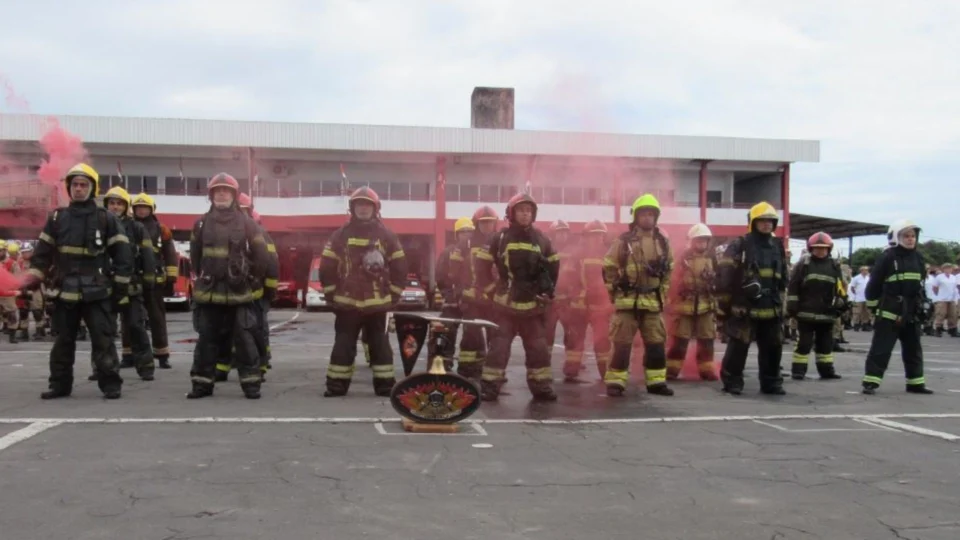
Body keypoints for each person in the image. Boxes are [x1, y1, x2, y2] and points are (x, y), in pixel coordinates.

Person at [23, 163, 133, 399]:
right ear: (69, 188)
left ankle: (110, 384)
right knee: (62, 341)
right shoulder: (57, 218)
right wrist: (33, 278)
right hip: (64, 292)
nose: (79, 189)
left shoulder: (106, 219)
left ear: (92, 189)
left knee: (103, 340)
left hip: (98, 292)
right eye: (75, 185)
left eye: (84, 185)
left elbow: (123, 256)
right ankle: (60, 385)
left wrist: (119, 289)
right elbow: (42, 254)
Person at [186, 173, 272, 400]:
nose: (222, 194)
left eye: (226, 190)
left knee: (244, 340)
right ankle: (202, 385)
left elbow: (262, 256)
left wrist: (252, 280)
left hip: (238, 294)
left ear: (234, 195)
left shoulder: (248, 224)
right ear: (211, 195)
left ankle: (251, 385)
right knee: (206, 340)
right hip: (210, 293)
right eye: (217, 190)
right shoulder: (201, 224)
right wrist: (205, 277)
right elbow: (195, 257)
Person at [321, 187, 407, 397]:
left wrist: (394, 293)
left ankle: (385, 385)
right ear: (352, 208)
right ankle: (336, 386)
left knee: (380, 344)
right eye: (359, 204)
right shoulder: (339, 235)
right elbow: (327, 266)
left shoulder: (387, 236)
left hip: (377, 304)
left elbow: (400, 265)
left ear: (375, 208)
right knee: (344, 344)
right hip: (347, 302)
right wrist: (331, 293)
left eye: (367, 205)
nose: (363, 208)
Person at [477, 193, 559, 402]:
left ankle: (542, 388)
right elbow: (482, 266)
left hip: (532, 307)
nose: (525, 214)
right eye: (521, 210)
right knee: (498, 349)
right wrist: (490, 289)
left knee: (538, 350)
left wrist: (547, 291)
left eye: (529, 211)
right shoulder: (499, 238)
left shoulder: (542, 239)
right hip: (505, 306)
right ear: (512, 213)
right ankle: (490, 387)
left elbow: (553, 266)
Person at [603, 194, 674, 397]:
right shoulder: (623, 241)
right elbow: (608, 266)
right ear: (636, 216)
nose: (647, 218)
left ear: (656, 217)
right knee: (621, 344)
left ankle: (656, 382)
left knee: (656, 344)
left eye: (651, 214)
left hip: (652, 303)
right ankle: (616, 383)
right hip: (627, 302)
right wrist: (614, 291)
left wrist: (662, 293)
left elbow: (669, 270)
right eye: (643, 214)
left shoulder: (663, 242)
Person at [717, 201, 788, 395]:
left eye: (770, 221)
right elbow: (724, 277)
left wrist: (783, 305)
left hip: (771, 305)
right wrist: (724, 307)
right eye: (762, 220)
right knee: (739, 346)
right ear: (753, 222)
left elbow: (783, 277)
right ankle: (732, 381)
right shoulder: (740, 245)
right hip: (744, 306)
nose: (767, 224)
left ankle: (772, 382)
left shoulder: (777, 246)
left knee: (773, 346)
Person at [862, 219, 933, 395]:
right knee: (881, 348)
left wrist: (924, 304)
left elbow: (920, 284)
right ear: (895, 237)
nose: (911, 239)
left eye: (913, 236)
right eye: (906, 236)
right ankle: (871, 382)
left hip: (912, 311)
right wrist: (873, 306)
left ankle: (915, 383)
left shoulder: (918, 257)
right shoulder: (887, 257)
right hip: (889, 311)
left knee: (913, 349)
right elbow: (873, 285)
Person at [100, 186, 157, 381]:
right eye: (111, 203)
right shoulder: (97, 226)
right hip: (103, 287)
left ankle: (146, 367)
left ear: (126, 207)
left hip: (131, 286)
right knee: (103, 330)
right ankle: (102, 368)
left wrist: (148, 284)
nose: (115, 207)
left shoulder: (137, 228)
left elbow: (148, 257)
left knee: (135, 326)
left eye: (119, 203)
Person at [786, 232, 844, 380]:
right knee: (804, 343)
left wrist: (842, 302)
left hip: (827, 314)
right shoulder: (803, 265)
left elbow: (840, 287)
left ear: (829, 249)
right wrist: (792, 306)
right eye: (817, 248)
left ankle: (826, 371)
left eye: (823, 248)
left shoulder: (834, 266)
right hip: (806, 313)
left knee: (825, 345)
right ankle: (798, 371)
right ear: (811, 248)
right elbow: (793, 287)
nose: (820, 250)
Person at [452, 205, 501, 381]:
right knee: (471, 336)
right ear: (477, 223)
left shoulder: (501, 241)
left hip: (494, 299)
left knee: (496, 337)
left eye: (490, 222)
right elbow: (454, 272)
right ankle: (466, 369)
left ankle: (493, 372)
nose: (488, 226)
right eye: (484, 222)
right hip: (471, 298)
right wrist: (459, 293)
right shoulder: (465, 244)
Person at [665, 223, 719, 381]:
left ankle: (707, 370)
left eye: (704, 241)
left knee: (706, 340)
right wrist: (670, 301)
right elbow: (671, 281)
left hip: (706, 305)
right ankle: (672, 370)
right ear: (691, 241)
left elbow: (720, 279)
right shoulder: (682, 258)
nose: (701, 244)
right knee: (680, 340)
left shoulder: (712, 259)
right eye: (698, 240)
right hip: (684, 306)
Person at [131, 193, 178, 369]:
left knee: (157, 318)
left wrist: (172, 277)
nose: (141, 210)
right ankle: (128, 355)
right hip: (133, 279)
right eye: (138, 207)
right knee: (131, 319)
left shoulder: (162, 229)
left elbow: (170, 254)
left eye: (145, 207)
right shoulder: (127, 227)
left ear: (151, 210)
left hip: (156, 282)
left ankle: (162, 355)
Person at [562, 219, 612, 380]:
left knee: (602, 340)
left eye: (599, 235)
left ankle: (606, 371)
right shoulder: (577, 255)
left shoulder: (609, 254)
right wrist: (571, 296)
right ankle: (571, 369)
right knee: (575, 339)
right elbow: (567, 277)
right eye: (593, 235)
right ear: (586, 237)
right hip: (579, 305)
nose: (597, 238)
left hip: (601, 307)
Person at [434, 217, 476, 370]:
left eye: (470, 232)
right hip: (452, 303)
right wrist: (450, 296)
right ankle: (443, 364)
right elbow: (440, 277)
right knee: (445, 332)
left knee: (473, 334)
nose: (467, 235)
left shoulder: (478, 252)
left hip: (472, 303)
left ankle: (469, 367)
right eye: (463, 232)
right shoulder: (448, 253)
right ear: (457, 235)